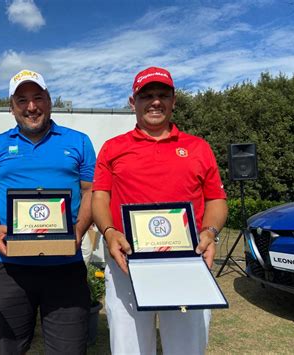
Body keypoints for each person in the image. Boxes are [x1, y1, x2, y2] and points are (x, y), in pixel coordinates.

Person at [91, 66, 228, 355]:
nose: (155, 101)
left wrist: (210, 232)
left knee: (186, 348)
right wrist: (109, 231)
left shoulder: (198, 147)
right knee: (130, 349)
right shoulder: (113, 148)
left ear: (173, 100)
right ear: (133, 103)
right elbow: (100, 198)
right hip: (127, 262)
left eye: (162, 95)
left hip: (186, 262)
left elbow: (216, 200)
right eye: (146, 95)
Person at [0, 69, 96, 354]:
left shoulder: (78, 141)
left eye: (38, 97)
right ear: (11, 107)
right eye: (22, 100)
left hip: (65, 265)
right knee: (10, 349)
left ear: (50, 100)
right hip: (9, 267)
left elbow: (92, 191)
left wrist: (78, 231)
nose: (31, 107)